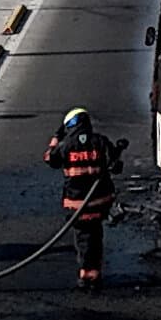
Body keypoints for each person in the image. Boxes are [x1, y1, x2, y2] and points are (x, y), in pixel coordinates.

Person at [44, 107, 125, 290]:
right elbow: (116, 166)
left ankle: (85, 273)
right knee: (96, 236)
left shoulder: (66, 145)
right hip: (100, 203)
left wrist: (55, 139)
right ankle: (94, 272)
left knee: (82, 238)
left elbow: (50, 159)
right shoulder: (100, 141)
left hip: (77, 204)